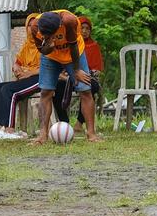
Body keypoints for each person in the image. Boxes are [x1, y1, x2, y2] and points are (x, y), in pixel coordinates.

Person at [27, 10, 101, 143]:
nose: (46, 37)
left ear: (58, 27)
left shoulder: (68, 21)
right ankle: (42, 135)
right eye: (45, 35)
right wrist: (48, 48)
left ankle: (91, 134)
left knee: (85, 90)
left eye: (50, 35)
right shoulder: (34, 27)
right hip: (50, 57)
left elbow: (73, 46)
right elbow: (41, 50)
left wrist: (76, 70)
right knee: (45, 92)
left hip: (74, 53)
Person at [0, 15, 43, 140]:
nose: (32, 28)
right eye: (29, 25)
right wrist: (16, 67)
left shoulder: (45, 44)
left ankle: (9, 129)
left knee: (8, 90)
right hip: (26, 77)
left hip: (41, 79)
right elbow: (18, 61)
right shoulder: (27, 44)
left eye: (36, 26)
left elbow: (49, 67)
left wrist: (28, 73)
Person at [79, 16, 105, 113]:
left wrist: (91, 73)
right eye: (82, 28)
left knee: (92, 87)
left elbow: (98, 69)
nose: (84, 31)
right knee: (59, 87)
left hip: (88, 76)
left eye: (87, 29)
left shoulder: (94, 46)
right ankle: (63, 121)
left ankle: (79, 122)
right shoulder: (71, 44)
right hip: (71, 77)